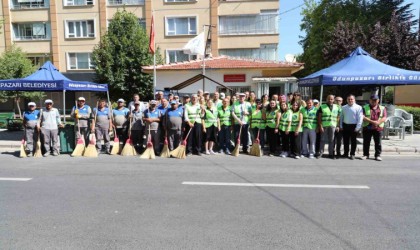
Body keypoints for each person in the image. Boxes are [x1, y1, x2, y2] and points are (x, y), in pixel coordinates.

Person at [362, 94, 387, 161]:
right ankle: (365, 154)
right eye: (372, 100)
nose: (373, 101)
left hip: (378, 128)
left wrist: (378, 122)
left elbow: (384, 117)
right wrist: (373, 122)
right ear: (369, 100)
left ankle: (377, 155)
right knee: (366, 142)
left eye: (375, 100)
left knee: (378, 143)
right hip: (367, 127)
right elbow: (363, 117)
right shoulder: (365, 107)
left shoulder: (382, 108)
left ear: (378, 100)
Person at [340, 94, 363, 160]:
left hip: (354, 126)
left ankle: (352, 154)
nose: (350, 100)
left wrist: (358, 127)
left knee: (353, 141)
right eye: (349, 99)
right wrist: (341, 125)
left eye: (351, 99)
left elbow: (360, 118)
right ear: (347, 100)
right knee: (345, 141)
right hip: (345, 125)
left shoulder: (358, 107)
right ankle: (345, 153)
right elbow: (341, 117)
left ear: (354, 100)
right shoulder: (344, 107)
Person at [318, 95, 340, 159]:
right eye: (329, 99)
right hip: (324, 125)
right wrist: (320, 126)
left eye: (331, 99)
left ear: (334, 100)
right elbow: (319, 117)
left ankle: (331, 154)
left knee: (332, 140)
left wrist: (337, 125)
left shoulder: (337, 107)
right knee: (322, 140)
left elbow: (338, 117)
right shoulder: (322, 106)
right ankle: (321, 153)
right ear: (326, 99)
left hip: (333, 125)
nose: (330, 100)